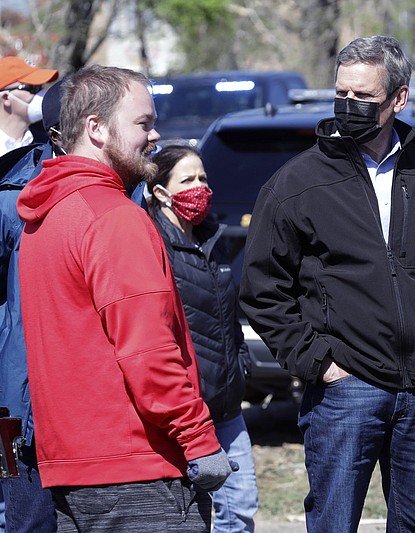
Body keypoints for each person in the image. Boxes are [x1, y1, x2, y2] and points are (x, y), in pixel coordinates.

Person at [239, 35, 415, 532]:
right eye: (342, 95)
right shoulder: (297, 183)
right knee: (333, 522)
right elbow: (263, 288)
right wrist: (318, 363)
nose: (349, 106)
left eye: (364, 98)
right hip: (345, 390)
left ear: (398, 99)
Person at [16, 65, 235, 532]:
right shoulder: (113, 218)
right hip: (139, 472)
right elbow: (149, 351)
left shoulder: (46, 215)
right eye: (142, 123)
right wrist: (198, 439)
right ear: (95, 128)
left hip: (76, 471)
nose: (155, 135)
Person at [148, 144, 258, 532]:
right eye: (188, 180)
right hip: (186, 410)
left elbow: (227, 314)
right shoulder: (152, 242)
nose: (200, 188)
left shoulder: (213, 238)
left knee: (241, 508)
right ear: (161, 192)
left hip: (227, 407)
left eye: (203, 179)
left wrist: (241, 363)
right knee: (191, 515)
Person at [0, 80, 64, 533]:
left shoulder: (131, 191)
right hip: (20, 400)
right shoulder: (5, 199)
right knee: (27, 520)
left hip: (93, 405)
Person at [0, 56, 58, 169]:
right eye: (33, 88)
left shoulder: (51, 143)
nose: (43, 94)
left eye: (42, 87)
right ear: (6, 97)